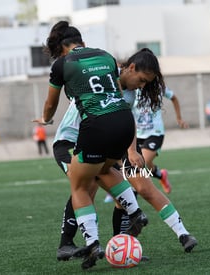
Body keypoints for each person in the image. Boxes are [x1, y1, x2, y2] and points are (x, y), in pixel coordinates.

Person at [53, 48, 197, 263]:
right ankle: (71, 243)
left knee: (143, 186)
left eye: (146, 83)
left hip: (115, 140)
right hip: (76, 141)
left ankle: (181, 233)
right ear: (130, 68)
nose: (142, 86)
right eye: (141, 80)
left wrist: (131, 150)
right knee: (87, 186)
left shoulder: (130, 92)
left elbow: (125, 118)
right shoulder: (105, 76)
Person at [33, 21, 148, 270]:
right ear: (82, 43)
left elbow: (50, 104)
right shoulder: (106, 57)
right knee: (102, 173)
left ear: (63, 47)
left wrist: (46, 119)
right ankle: (135, 211)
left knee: (81, 185)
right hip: (123, 122)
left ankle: (88, 242)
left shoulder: (63, 64)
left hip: (85, 133)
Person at [132, 86, 189, 194]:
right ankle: (161, 175)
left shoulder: (158, 87)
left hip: (155, 133)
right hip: (137, 134)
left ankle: (131, 202)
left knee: (140, 165)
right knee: (146, 165)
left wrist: (179, 118)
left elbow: (174, 98)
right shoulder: (132, 88)